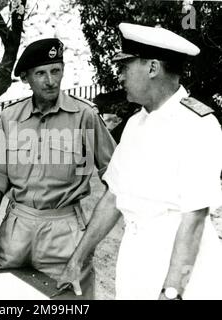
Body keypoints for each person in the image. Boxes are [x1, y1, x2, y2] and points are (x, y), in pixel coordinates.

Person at [58, 23, 222, 300]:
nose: (119, 76)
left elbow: (194, 217)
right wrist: (77, 260)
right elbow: (113, 196)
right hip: (136, 261)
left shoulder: (198, 125)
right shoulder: (136, 123)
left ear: (152, 68)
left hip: (182, 271)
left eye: (125, 67)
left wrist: (171, 293)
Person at [0, 38, 116, 299]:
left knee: (71, 301)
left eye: (56, 71)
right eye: (41, 73)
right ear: (26, 78)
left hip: (65, 232)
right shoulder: (10, 118)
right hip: (15, 231)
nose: (50, 81)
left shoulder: (84, 116)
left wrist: (85, 246)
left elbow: (117, 179)